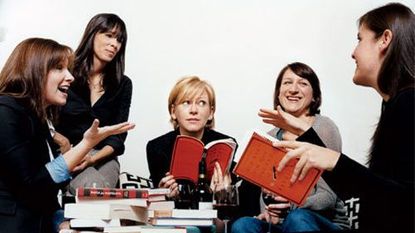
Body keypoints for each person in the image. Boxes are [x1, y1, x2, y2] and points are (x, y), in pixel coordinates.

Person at [270, 3, 414, 233]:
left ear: (384, 39)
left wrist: (336, 161)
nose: (353, 52)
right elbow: (370, 190)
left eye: (360, 39)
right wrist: (307, 135)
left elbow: (405, 204)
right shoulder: (395, 105)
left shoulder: (409, 103)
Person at [0, 38, 134, 233]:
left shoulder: (38, 119)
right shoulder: (6, 111)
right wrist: (87, 143)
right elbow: (32, 184)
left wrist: (62, 223)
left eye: (68, 69)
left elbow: (44, 197)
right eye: (59, 68)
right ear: (34, 70)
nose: (70, 76)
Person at [233, 62, 350, 233]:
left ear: (314, 96)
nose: (293, 89)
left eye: (303, 83)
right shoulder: (271, 136)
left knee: (298, 218)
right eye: (287, 83)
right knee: (243, 224)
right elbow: (268, 192)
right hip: (282, 224)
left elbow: (328, 198)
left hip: (322, 222)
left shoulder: (324, 128)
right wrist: (268, 213)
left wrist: (291, 207)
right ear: (278, 93)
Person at [146, 76, 237, 233]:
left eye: (201, 103)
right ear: (173, 111)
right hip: (176, 219)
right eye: (186, 102)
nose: (194, 110)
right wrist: (164, 194)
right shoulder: (157, 147)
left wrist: (222, 193)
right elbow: (157, 207)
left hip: (214, 219)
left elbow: (231, 210)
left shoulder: (225, 144)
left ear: (211, 113)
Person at [55, 13, 132, 194]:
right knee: (96, 191)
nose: (115, 44)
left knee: (98, 192)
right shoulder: (66, 73)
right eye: (109, 35)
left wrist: (93, 158)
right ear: (92, 34)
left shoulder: (123, 84)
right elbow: (42, 116)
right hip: (70, 153)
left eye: (119, 40)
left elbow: (118, 136)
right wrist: (62, 141)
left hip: (104, 157)